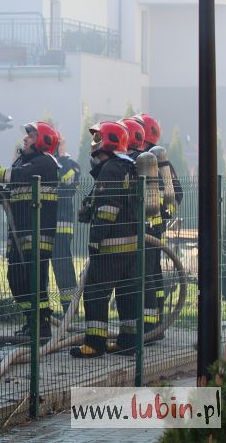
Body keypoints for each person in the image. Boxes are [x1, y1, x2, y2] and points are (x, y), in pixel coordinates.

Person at [0, 121, 59, 338]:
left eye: (31, 136)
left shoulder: (45, 163)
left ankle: (42, 327)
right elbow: (11, 197)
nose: (25, 139)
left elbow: (12, 176)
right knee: (17, 279)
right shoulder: (26, 164)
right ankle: (31, 320)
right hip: (20, 235)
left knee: (35, 281)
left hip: (37, 235)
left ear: (43, 141)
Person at [71, 121, 139, 358]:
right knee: (127, 295)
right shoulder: (130, 166)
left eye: (98, 138)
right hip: (131, 246)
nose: (94, 143)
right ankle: (129, 342)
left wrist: (95, 240)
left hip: (110, 246)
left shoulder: (111, 168)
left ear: (108, 141)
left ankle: (94, 344)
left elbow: (108, 209)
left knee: (96, 293)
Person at [132, 113, 184, 340]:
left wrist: (163, 215)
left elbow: (176, 194)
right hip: (150, 227)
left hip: (152, 227)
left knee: (149, 274)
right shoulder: (142, 158)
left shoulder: (157, 161)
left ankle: (152, 326)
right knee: (153, 274)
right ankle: (156, 323)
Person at [120, 117, 160, 337]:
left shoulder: (137, 162)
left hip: (144, 228)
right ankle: (150, 327)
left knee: (143, 278)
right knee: (147, 277)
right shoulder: (146, 161)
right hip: (146, 227)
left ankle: (148, 328)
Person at [53, 134, 80, 315]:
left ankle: (70, 310)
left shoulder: (71, 165)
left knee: (63, 269)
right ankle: (44, 311)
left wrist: (62, 156)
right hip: (43, 226)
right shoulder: (44, 163)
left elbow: (69, 180)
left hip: (61, 227)